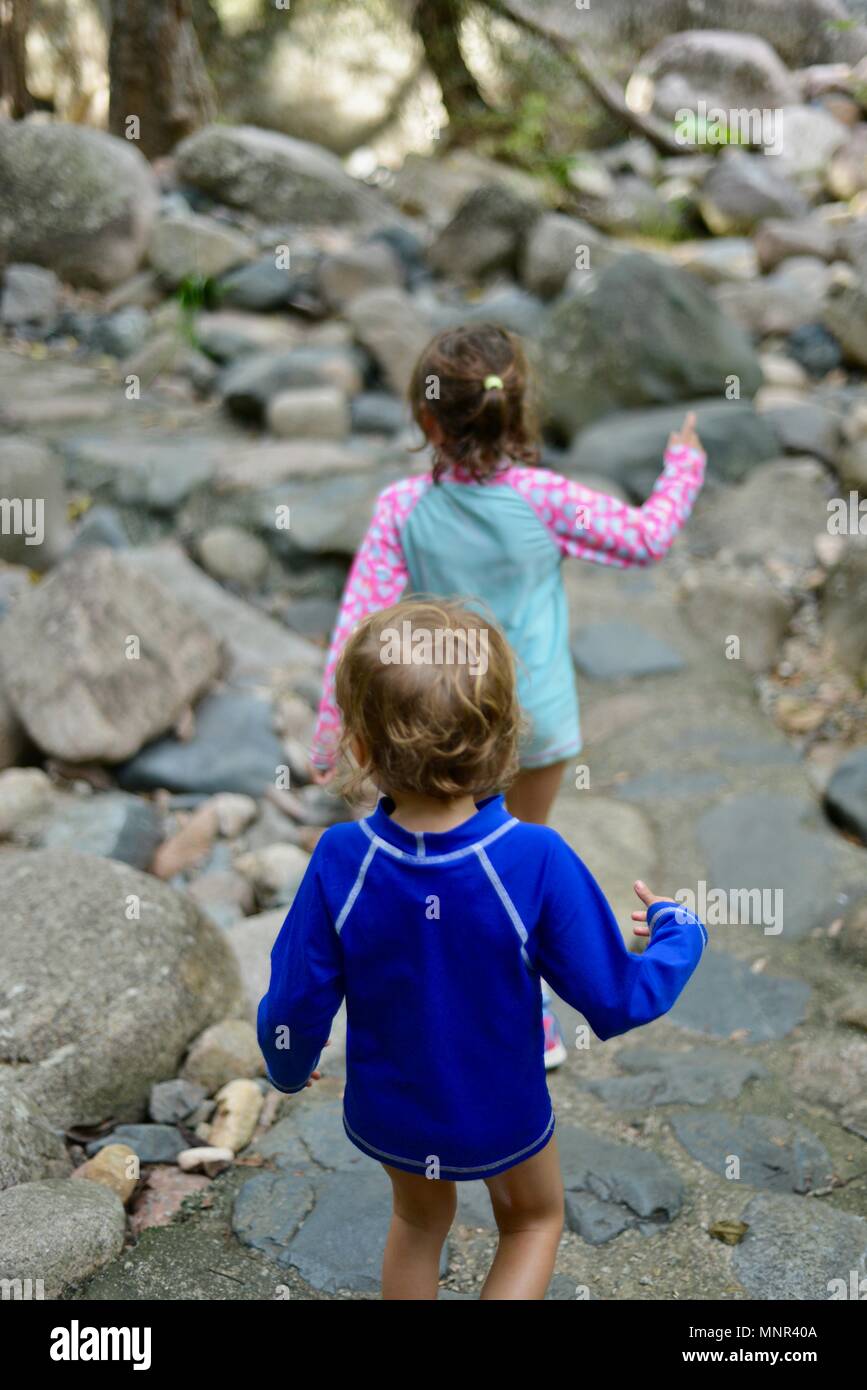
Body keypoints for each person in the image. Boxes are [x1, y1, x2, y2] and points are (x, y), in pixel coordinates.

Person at [259, 599, 708, 1300]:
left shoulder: (341, 858)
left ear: (362, 748)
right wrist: (679, 934)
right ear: (502, 741)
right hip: (501, 1110)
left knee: (416, 1220)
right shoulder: (533, 859)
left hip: (393, 1109)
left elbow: (296, 995)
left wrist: (287, 1066)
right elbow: (618, 1000)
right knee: (532, 1221)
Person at [307, 324, 707, 1068]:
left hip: (433, 730)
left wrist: (331, 738)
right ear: (519, 415)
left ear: (426, 420)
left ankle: (444, 1011)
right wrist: (682, 464)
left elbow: (357, 630)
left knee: (447, 870)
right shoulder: (545, 498)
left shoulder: (401, 508)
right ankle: (533, 1024)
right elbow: (648, 538)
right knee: (516, 866)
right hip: (535, 727)